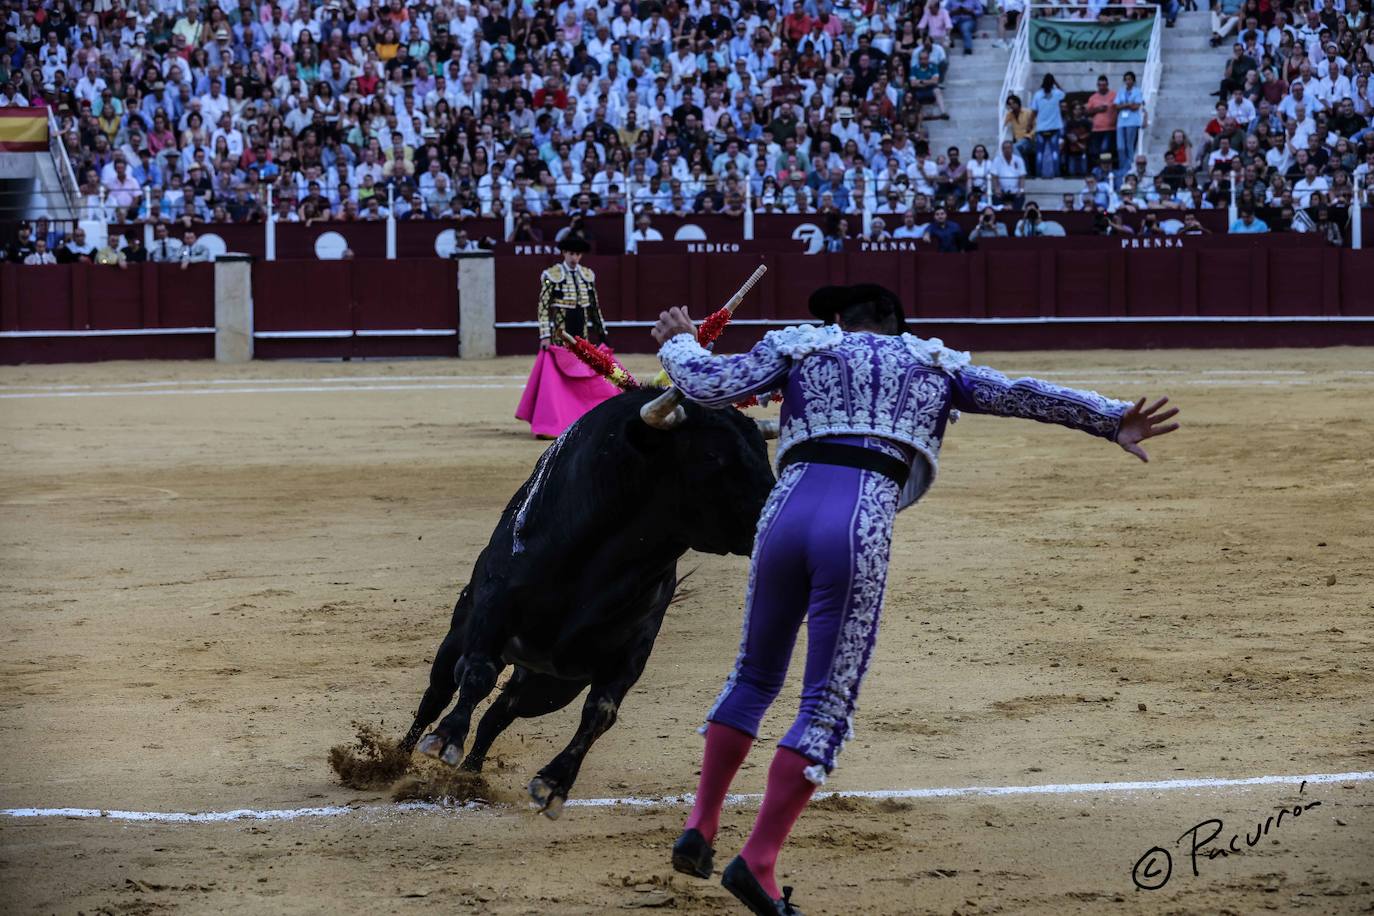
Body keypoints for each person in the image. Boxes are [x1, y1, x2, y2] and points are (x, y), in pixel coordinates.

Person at [653, 285, 1179, 916]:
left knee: (754, 673)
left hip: (784, 511)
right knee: (825, 702)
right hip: (858, 521)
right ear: (900, 322)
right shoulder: (934, 361)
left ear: (839, 320)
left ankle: (701, 825)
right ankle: (758, 861)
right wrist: (1111, 418)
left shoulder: (805, 345)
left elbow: (709, 384)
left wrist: (680, 339)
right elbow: (1022, 395)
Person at [514, 236, 617, 439]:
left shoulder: (587, 275)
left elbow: (595, 307)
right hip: (560, 336)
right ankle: (555, 420)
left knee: (583, 375)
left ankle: (579, 416)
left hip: (583, 335)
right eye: (571, 253)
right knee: (558, 380)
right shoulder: (551, 275)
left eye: (578, 254)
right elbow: (543, 309)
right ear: (564, 253)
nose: (575, 258)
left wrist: (602, 331)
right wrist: (544, 336)